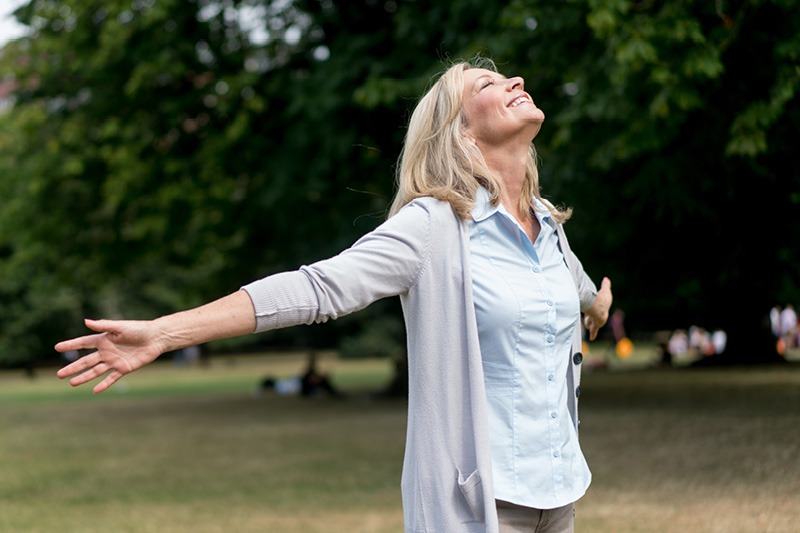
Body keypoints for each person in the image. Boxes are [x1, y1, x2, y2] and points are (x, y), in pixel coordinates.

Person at [56, 56, 612, 533]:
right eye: (486, 86)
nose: (513, 79)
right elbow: (315, 288)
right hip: (480, 504)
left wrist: (595, 307)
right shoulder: (435, 227)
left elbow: (576, 285)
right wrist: (165, 332)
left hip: (560, 493)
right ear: (463, 133)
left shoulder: (546, 226)